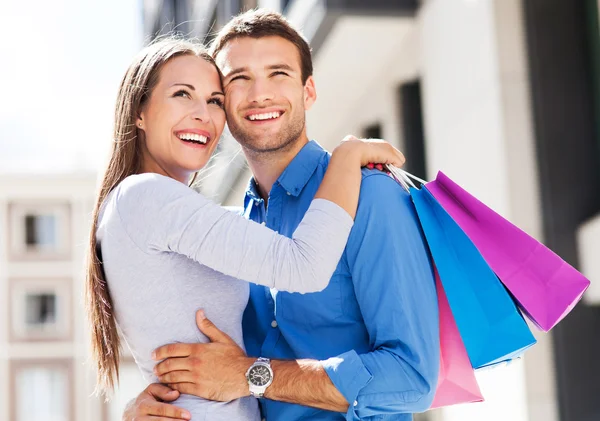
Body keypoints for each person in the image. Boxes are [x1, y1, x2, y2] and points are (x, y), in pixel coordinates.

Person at [124, 10, 440, 421]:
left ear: (309, 91)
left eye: (278, 74)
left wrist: (251, 375)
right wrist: (144, 405)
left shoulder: (370, 194)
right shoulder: (230, 229)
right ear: (222, 104)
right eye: (239, 79)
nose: (260, 95)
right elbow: (200, 358)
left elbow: (413, 379)